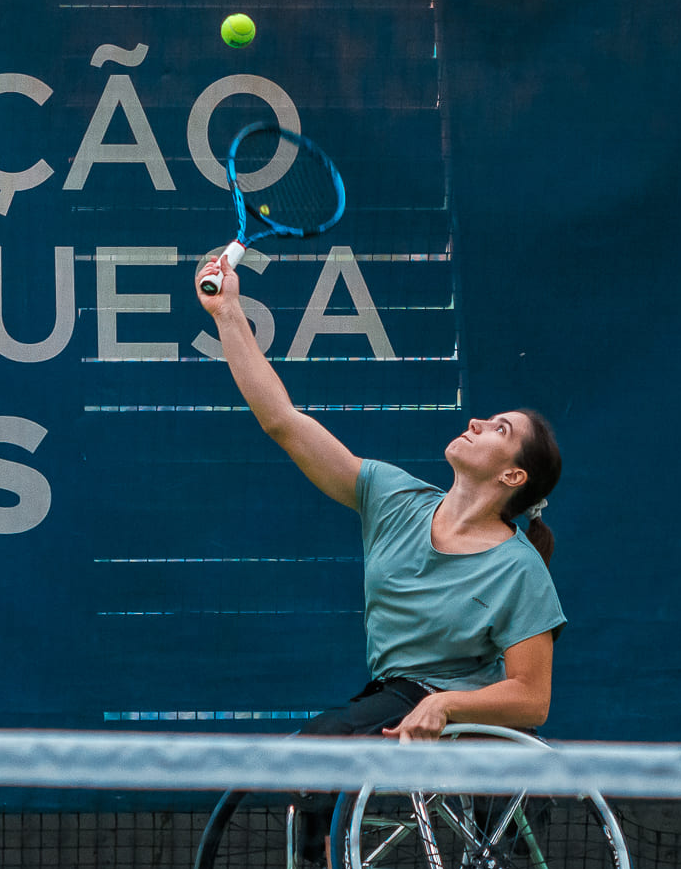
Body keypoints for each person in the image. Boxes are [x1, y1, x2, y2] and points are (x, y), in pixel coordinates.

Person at [193, 251, 566, 744]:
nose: (476, 423)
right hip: (395, 695)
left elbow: (531, 697)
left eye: (500, 429)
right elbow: (282, 421)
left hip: (473, 721)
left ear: (515, 476)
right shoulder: (394, 499)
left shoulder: (520, 570)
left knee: (323, 746)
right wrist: (228, 312)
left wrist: (445, 704)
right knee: (314, 759)